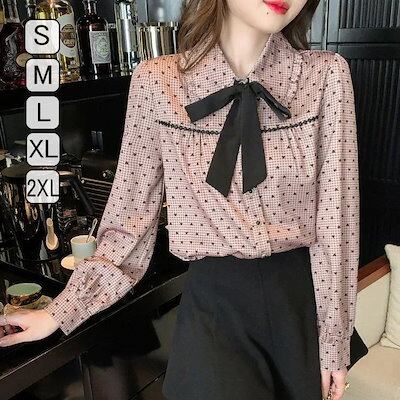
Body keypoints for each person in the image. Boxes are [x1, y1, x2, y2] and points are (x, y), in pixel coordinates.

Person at [0, 0, 360, 399]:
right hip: (215, 310)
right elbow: (129, 224)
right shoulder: (158, 83)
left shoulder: (325, 75)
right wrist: (59, 311)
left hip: (301, 306)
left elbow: (337, 223)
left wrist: (334, 343)